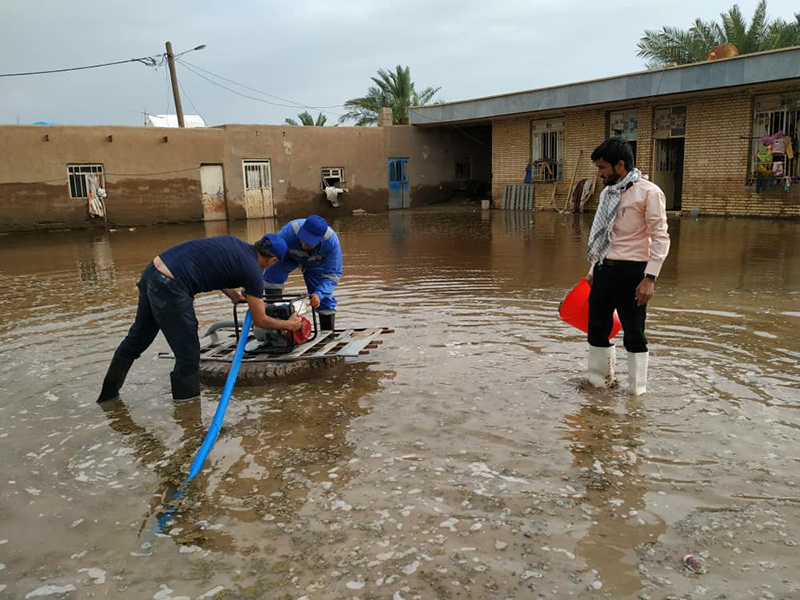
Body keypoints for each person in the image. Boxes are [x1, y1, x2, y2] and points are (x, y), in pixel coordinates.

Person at [97, 234, 302, 403]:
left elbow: (210, 262)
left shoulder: (235, 244)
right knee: (188, 356)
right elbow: (260, 320)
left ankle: (108, 397)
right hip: (171, 285)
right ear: (274, 260)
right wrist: (290, 325)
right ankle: (188, 418)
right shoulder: (254, 273)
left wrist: (230, 293)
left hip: (153, 271)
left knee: (138, 338)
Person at [585, 138, 670, 395]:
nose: (599, 174)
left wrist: (649, 278)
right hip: (603, 270)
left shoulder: (648, 192)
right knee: (597, 331)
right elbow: (602, 236)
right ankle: (601, 387)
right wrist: (592, 271)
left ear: (620, 165)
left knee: (634, 334)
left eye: (602, 168)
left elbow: (660, 237)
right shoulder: (607, 193)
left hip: (633, 273)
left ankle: (637, 395)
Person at [263, 215, 342, 331]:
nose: (304, 244)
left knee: (323, 298)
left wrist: (319, 294)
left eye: (309, 242)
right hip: (288, 256)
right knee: (272, 278)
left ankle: (327, 335)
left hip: (315, 263)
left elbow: (332, 275)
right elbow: (267, 254)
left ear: (321, 239)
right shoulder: (290, 231)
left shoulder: (332, 243)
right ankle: (274, 328)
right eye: (302, 239)